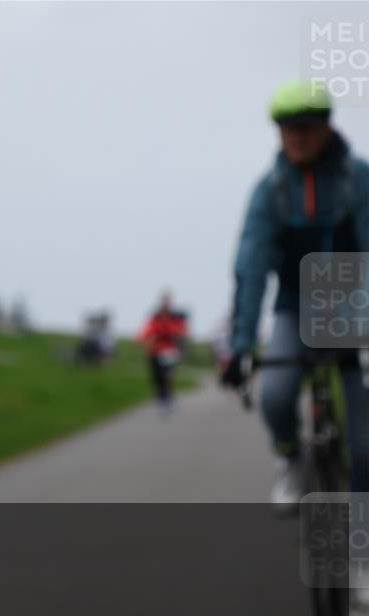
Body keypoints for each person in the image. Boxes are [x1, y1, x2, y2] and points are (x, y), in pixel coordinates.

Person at [219, 80, 368, 513]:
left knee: (364, 444)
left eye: (306, 126)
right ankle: (291, 459)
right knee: (276, 395)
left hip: (354, 305)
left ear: (327, 126)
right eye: (287, 127)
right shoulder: (270, 191)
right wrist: (242, 345)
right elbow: (251, 268)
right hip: (296, 305)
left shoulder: (357, 179)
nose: (297, 136)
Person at [138, 293, 187, 414]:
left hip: (170, 351)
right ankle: (161, 399)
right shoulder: (154, 318)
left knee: (168, 376)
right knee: (157, 378)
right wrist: (145, 340)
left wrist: (172, 332)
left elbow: (181, 332)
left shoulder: (175, 318)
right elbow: (145, 333)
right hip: (155, 351)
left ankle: (167, 398)